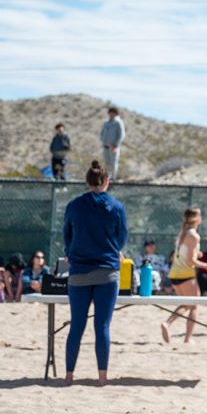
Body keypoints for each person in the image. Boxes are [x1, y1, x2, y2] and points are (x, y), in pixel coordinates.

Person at [61, 160, 128, 385]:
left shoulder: (75, 205)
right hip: (107, 270)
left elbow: (67, 235)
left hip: (79, 270)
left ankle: (69, 375)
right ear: (107, 182)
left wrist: (71, 251)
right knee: (102, 326)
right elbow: (122, 238)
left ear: (87, 182)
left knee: (77, 325)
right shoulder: (117, 207)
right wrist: (111, 249)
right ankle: (102, 377)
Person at [160, 207, 207, 342]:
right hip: (185, 274)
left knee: (186, 304)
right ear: (197, 219)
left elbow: (182, 254)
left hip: (174, 273)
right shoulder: (194, 235)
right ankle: (186, 337)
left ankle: (169, 324)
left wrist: (197, 254)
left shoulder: (182, 232)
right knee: (193, 305)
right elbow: (190, 261)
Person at [99, 107, 125, 180]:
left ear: (116, 114)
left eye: (113, 113)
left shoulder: (118, 123)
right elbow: (102, 133)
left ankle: (113, 178)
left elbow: (121, 135)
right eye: (110, 113)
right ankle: (107, 177)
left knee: (113, 163)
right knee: (107, 162)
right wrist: (102, 140)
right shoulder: (106, 123)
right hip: (105, 146)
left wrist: (116, 144)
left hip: (114, 147)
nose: (111, 114)